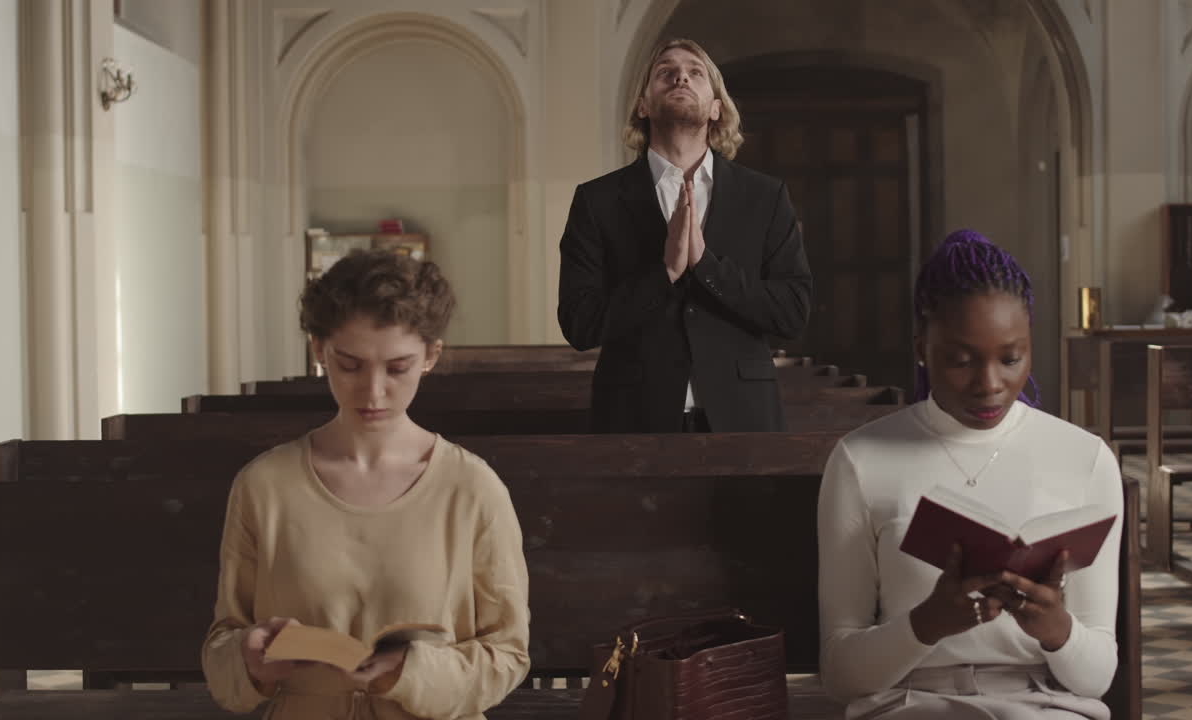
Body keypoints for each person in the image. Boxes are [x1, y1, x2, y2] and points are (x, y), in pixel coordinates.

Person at [201, 250, 530, 719]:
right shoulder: (264, 486)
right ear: (319, 351)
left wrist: (409, 676)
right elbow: (223, 647)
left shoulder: (473, 489)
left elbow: (508, 654)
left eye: (397, 368)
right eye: (350, 365)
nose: (373, 392)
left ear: (431, 356)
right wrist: (249, 659)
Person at [816, 230, 1121, 719]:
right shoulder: (860, 460)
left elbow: (1097, 677)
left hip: (1044, 706)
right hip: (910, 705)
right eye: (960, 360)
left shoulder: (1085, 459)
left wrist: (1055, 628)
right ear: (922, 348)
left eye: (1010, 358)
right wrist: (926, 624)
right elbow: (840, 674)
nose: (988, 384)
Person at [557, 37, 812, 433]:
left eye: (696, 73)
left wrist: (707, 267)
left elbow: (793, 313)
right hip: (633, 418)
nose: (680, 77)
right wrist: (665, 274)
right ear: (643, 105)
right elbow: (579, 324)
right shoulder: (597, 200)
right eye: (665, 72)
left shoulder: (765, 196)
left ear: (715, 108)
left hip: (744, 416)